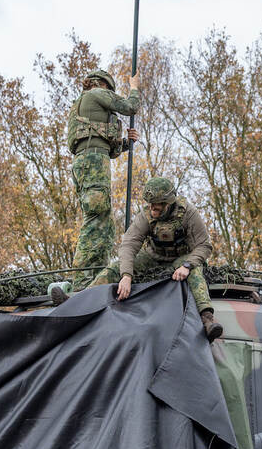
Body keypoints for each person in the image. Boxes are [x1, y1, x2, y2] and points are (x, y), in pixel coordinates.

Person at [48, 68, 140, 301]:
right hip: (92, 163)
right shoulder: (96, 94)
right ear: (104, 85)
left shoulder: (85, 105)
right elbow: (130, 107)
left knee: (104, 224)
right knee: (97, 219)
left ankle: (94, 278)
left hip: (91, 161)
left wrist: (126, 143)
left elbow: (107, 148)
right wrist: (134, 88)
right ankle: (82, 282)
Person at [97, 176, 224, 342]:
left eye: (156, 207)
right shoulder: (146, 215)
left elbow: (204, 246)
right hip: (153, 256)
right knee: (115, 268)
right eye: (150, 205)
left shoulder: (188, 214)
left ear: (168, 204)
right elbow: (129, 243)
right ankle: (77, 299)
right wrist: (126, 275)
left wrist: (187, 265)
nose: (152, 210)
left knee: (195, 273)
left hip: (181, 258)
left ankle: (207, 318)